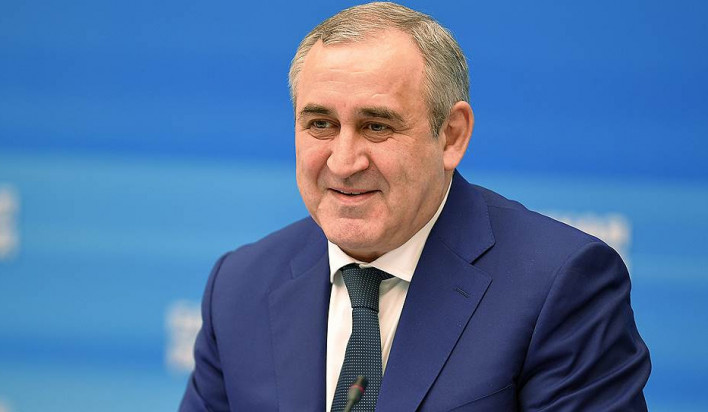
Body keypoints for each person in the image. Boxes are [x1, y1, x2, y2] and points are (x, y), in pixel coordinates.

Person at [180, 2, 651, 411]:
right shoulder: (239, 286)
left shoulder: (561, 284)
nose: (343, 162)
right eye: (321, 124)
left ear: (451, 136)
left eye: (377, 126)